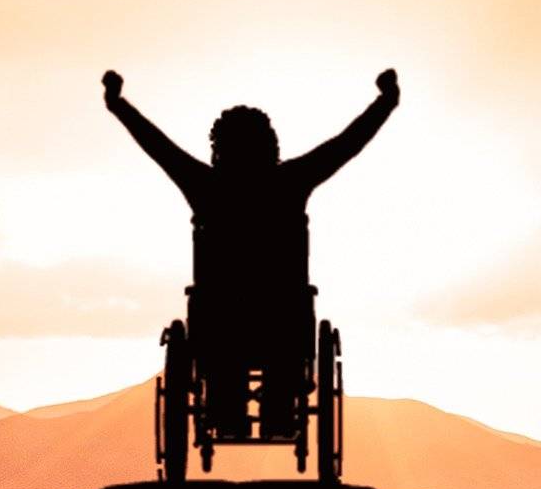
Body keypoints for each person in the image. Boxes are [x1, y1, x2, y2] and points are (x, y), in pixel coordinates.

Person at [103, 67, 399, 437]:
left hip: (220, 319)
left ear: (217, 149)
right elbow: (345, 144)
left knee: (221, 329)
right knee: (280, 324)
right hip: (284, 317)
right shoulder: (291, 181)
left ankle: (229, 411)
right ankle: (276, 407)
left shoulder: (204, 185)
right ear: (270, 146)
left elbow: (156, 144)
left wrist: (118, 105)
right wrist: (385, 103)